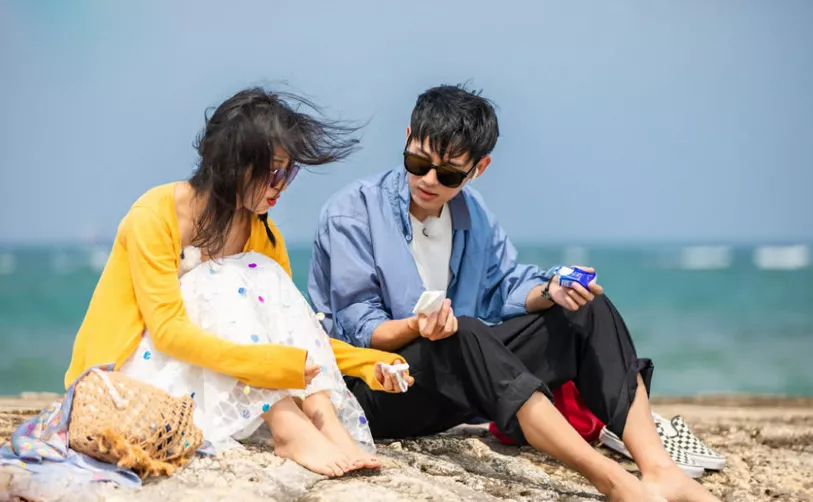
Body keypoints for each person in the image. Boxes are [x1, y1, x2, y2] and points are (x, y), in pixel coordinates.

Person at [308, 84, 719, 501]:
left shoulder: (473, 214)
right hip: (376, 391)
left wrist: (552, 290)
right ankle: (612, 481)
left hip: (455, 382)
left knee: (586, 309)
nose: (429, 180)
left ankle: (660, 470)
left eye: (449, 174)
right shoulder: (352, 214)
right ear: (408, 137)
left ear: (479, 168)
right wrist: (418, 326)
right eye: (418, 162)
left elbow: (503, 285)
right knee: (465, 331)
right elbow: (360, 330)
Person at [65, 87, 414, 478]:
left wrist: (369, 363)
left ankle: (323, 418)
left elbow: (289, 332)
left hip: (213, 376)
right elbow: (168, 332)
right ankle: (288, 427)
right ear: (232, 164)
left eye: (289, 172)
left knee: (261, 272)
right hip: (132, 378)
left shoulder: (263, 236)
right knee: (222, 276)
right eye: (273, 172)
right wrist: (270, 366)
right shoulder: (156, 215)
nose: (282, 185)